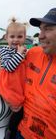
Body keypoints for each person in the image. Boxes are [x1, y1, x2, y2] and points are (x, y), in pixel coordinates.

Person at [13, 8, 56, 139]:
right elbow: (9, 73)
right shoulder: (32, 53)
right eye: (41, 29)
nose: (41, 35)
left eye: (48, 29)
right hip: (21, 133)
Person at [0, 17, 28, 139]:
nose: (15, 40)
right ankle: (11, 131)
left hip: (20, 85)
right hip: (9, 85)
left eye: (19, 37)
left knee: (24, 110)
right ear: (6, 38)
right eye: (12, 37)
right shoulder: (4, 51)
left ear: (25, 38)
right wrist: (20, 54)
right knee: (18, 110)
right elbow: (10, 67)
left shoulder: (25, 51)